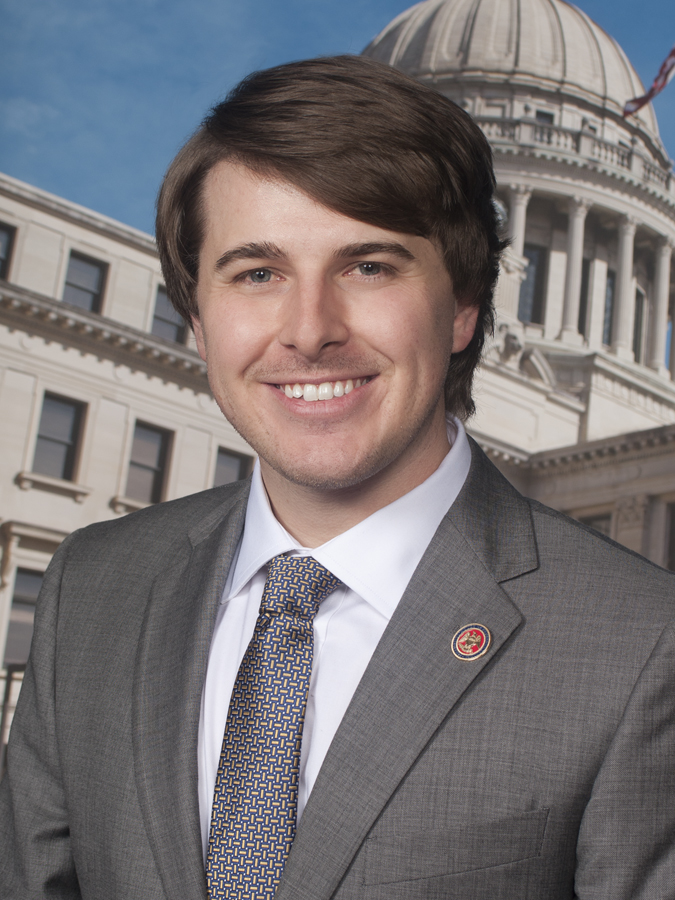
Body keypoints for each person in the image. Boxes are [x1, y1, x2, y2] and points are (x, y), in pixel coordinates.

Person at [1, 55, 675, 900]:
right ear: (198, 320)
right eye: (257, 273)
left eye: (370, 266)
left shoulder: (646, 641)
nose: (309, 330)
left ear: (464, 304)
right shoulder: (93, 589)